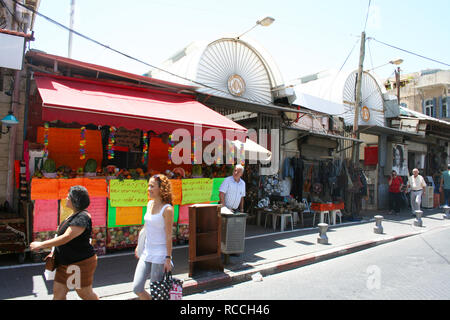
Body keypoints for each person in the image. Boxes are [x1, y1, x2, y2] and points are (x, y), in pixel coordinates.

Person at [30, 185, 98, 300]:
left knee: (85, 294)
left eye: (68, 197)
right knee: (58, 294)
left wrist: (41, 244)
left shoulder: (82, 217)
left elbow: (66, 237)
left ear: (75, 200)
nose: (66, 198)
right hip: (64, 263)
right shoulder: (74, 214)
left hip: (79, 263)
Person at [132, 174, 174, 300]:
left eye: (152, 186)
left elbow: (168, 235)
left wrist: (168, 258)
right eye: (148, 186)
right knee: (137, 288)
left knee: (156, 291)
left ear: (161, 189)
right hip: (146, 251)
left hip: (160, 254)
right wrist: (139, 246)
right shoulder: (149, 204)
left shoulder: (167, 209)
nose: (148, 189)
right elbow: (146, 228)